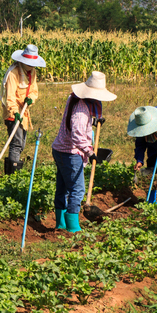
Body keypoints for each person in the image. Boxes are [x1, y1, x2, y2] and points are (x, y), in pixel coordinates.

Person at [51, 71, 117, 233]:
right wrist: (90, 152)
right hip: (71, 152)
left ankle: (61, 224)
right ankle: (73, 226)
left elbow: (75, 121)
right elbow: (77, 135)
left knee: (63, 188)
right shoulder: (81, 110)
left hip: (60, 148)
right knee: (77, 188)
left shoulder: (74, 98)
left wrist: (94, 121)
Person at [0, 45, 44, 175]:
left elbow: (34, 91)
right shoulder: (13, 73)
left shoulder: (32, 72)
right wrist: (15, 112)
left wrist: (30, 99)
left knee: (21, 144)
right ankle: (12, 176)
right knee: (17, 144)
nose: (31, 66)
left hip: (23, 112)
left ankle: (11, 171)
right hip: (13, 112)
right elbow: (10, 97)